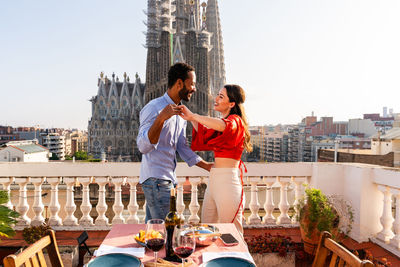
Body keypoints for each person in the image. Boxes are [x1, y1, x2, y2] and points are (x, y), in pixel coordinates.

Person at [137, 62, 212, 222]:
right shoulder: (154, 108)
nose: (194, 88)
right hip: (156, 180)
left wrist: (207, 166)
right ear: (179, 83)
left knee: (154, 233)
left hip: (167, 179)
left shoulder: (181, 113)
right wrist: (161, 118)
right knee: (166, 231)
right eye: (191, 84)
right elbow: (143, 146)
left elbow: (182, 147)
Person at [178, 84, 252, 234]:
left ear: (231, 104)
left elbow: (223, 125)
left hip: (228, 181)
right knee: (207, 230)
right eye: (218, 95)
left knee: (231, 233)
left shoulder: (235, 121)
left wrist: (194, 116)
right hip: (214, 178)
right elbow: (206, 133)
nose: (216, 98)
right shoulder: (222, 123)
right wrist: (191, 117)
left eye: (221, 96)